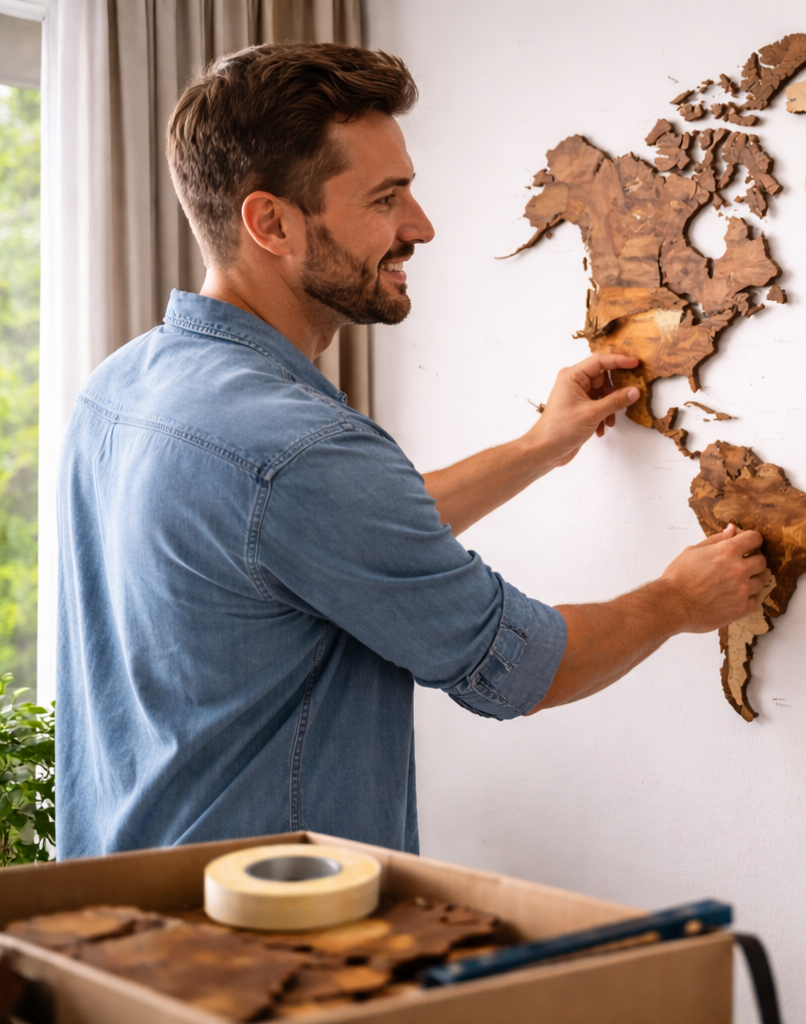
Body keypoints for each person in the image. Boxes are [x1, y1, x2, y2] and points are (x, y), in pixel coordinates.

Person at [55, 43, 766, 858]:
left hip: (111, 917)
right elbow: (525, 669)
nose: (420, 227)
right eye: (385, 199)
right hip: (266, 951)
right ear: (271, 223)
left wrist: (541, 445)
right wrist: (677, 600)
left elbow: (319, 542)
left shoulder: (119, 389)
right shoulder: (300, 452)